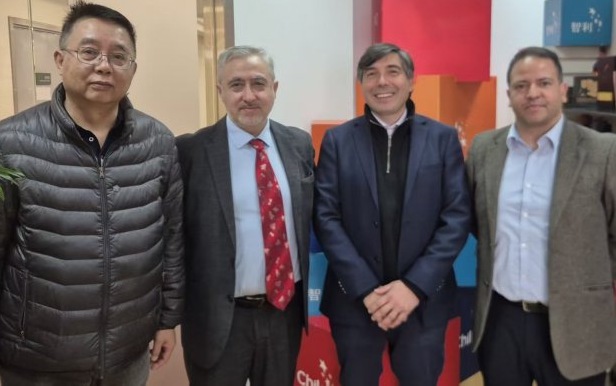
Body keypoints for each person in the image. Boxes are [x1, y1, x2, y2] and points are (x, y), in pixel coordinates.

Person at [0, 0, 184, 386]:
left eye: (119, 56)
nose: (104, 66)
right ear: (60, 60)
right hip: (38, 360)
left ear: (133, 69)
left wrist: (168, 320)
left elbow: (172, 240)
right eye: (89, 52)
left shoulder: (158, 142)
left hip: (127, 354)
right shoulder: (7, 145)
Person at [313, 43, 471, 385]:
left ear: (411, 81)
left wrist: (413, 287)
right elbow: (326, 218)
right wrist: (367, 291)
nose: (382, 82)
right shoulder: (337, 141)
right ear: (361, 84)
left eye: (392, 72)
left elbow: (457, 217)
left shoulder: (442, 139)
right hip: (355, 301)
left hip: (423, 301)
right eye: (371, 74)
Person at [467, 47, 616, 385]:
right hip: (501, 320)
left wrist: (589, 279)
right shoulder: (483, 149)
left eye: (543, 83)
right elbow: (479, 224)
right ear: (509, 96)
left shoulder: (603, 151)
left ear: (562, 90)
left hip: (577, 324)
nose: (532, 93)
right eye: (521, 86)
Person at [177, 45, 314, 386]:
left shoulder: (299, 145)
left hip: (284, 313)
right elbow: (173, 239)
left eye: (259, 83)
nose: (249, 95)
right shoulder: (190, 152)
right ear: (220, 91)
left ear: (274, 89)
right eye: (236, 85)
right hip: (218, 319)